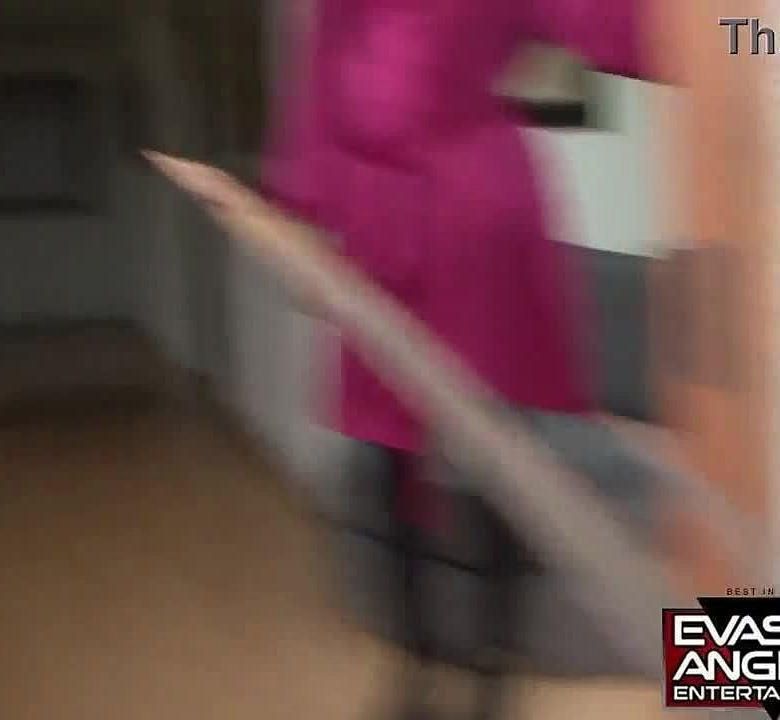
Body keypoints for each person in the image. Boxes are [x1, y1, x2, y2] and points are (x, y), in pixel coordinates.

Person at [259, 1, 657, 718]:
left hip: (482, 214)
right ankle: (416, 665)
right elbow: (316, 93)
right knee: (388, 455)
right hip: (378, 225)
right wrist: (310, 223)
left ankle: (491, 673)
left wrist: (729, 36)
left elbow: (604, 25)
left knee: (496, 453)